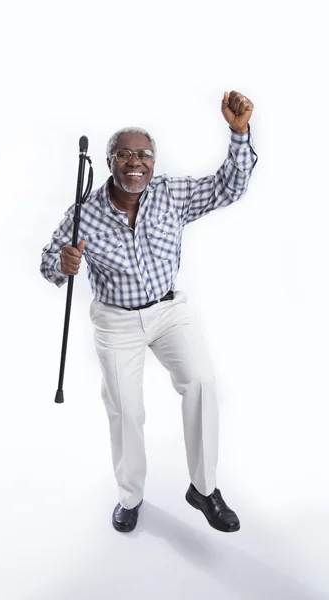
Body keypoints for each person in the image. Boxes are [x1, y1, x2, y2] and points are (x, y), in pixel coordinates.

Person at [41, 90, 258, 534]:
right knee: (126, 410)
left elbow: (229, 187)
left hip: (168, 312)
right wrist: (62, 264)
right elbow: (48, 265)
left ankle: (204, 488)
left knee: (201, 381)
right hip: (116, 321)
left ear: (154, 163)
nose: (135, 162)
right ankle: (130, 496)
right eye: (125, 154)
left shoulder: (170, 194)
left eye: (144, 154)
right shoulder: (84, 214)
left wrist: (238, 133)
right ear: (110, 162)